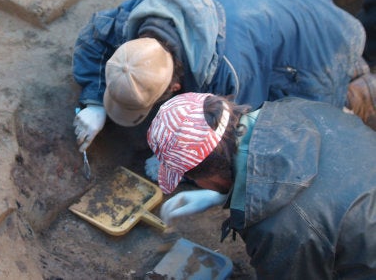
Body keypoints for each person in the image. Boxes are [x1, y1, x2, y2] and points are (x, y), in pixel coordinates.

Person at [72, 0, 376, 175]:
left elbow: (241, 131)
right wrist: (96, 101)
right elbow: (95, 38)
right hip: (259, 0)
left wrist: (180, 165)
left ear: (176, 87)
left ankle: (360, 92)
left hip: (314, 35)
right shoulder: (139, 14)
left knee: (307, 116)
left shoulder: (233, 72)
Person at [147, 92, 376, 278]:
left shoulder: (278, 231)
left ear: (211, 175)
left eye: (193, 178)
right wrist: (220, 195)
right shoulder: (289, 107)